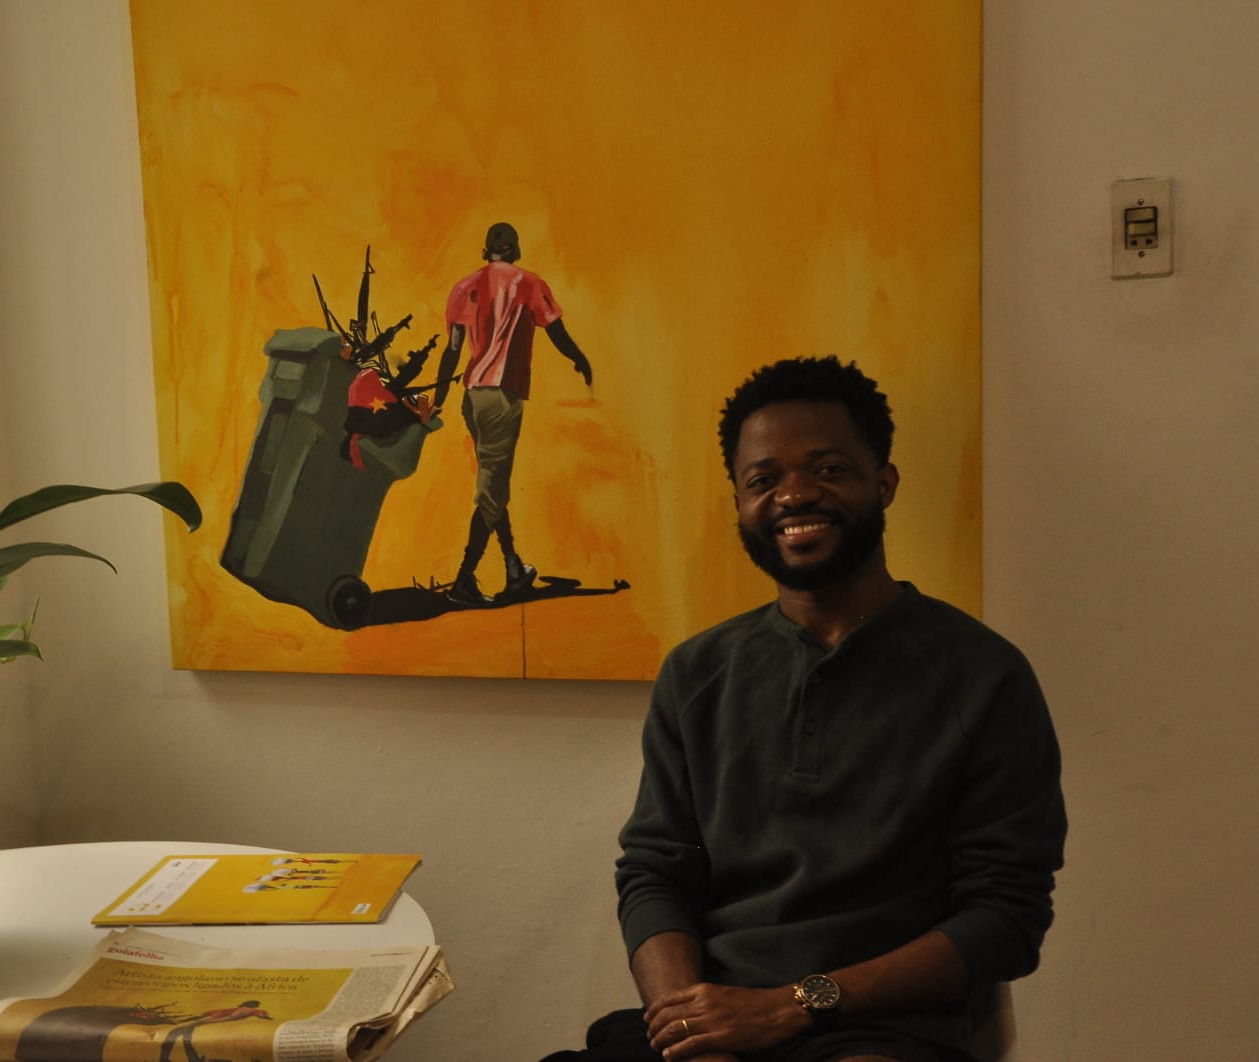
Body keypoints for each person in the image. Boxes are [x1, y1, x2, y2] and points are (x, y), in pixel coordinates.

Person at [543, 356, 1066, 1062]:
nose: (794, 495)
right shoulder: (698, 674)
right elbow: (655, 872)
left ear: (882, 483)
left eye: (827, 469)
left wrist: (794, 1004)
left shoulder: (983, 677)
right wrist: (689, 1025)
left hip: (881, 1026)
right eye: (764, 480)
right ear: (739, 503)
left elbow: (1006, 918)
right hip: (716, 1017)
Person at [434, 222, 594, 606]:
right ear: (515, 247)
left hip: (472, 396)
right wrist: (580, 359)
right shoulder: (530, 284)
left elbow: (452, 350)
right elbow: (556, 331)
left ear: (486, 249)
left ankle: (512, 566)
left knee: (494, 483)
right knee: (492, 491)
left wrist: (439, 396)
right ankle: (464, 579)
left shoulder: (463, 287)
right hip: (503, 398)